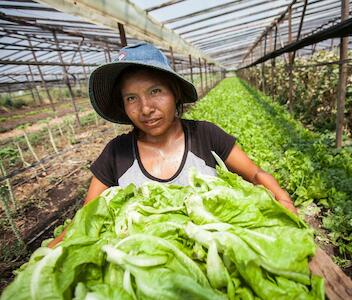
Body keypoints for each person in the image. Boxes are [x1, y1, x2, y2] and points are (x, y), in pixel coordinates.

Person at [48, 43, 296, 248]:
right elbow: (86, 217)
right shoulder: (116, 153)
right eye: (131, 98)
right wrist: (47, 255)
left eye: (155, 91)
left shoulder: (205, 135)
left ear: (175, 92)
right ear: (123, 105)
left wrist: (283, 200)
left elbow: (254, 173)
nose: (146, 108)